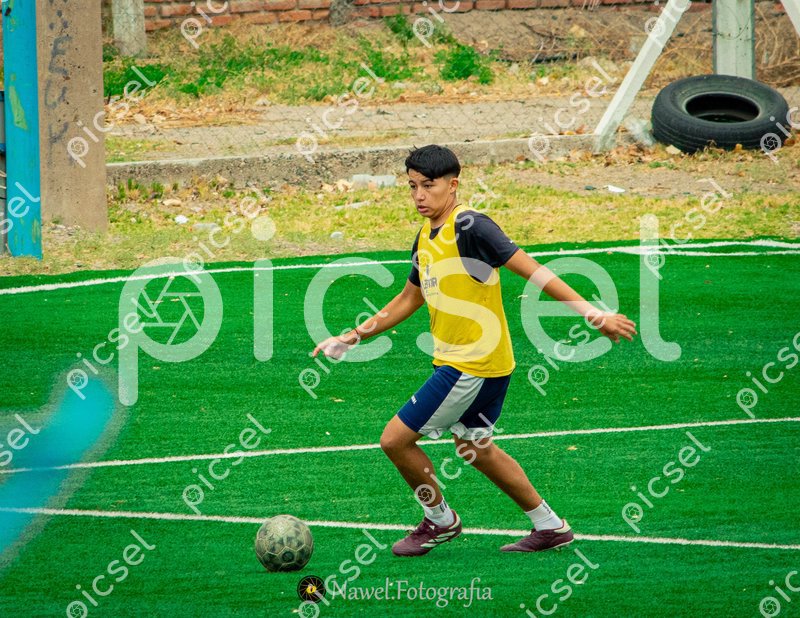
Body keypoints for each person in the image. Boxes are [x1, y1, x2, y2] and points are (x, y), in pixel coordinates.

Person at [312, 144, 637, 557]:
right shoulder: (426, 237)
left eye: (428, 186)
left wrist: (592, 314)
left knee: (395, 440)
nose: (419, 196)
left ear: (453, 185)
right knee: (475, 449)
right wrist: (352, 337)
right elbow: (410, 298)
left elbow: (533, 270)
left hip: (471, 366)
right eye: (412, 186)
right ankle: (550, 526)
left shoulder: (471, 227)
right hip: (483, 364)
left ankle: (440, 520)